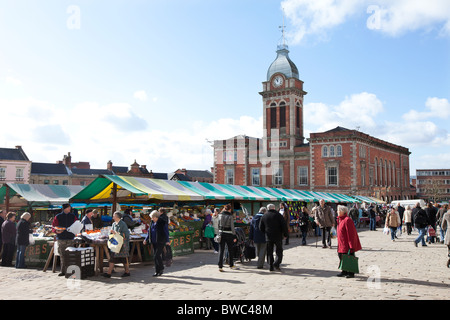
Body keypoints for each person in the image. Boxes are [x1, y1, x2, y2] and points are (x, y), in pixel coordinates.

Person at [259, 203, 288, 271]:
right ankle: (277, 263)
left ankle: (271, 265)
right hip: (278, 236)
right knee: (279, 250)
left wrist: (265, 232)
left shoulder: (264, 216)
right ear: (274, 208)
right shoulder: (278, 215)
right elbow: (284, 225)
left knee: (269, 251)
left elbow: (260, 227)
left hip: (268, 236)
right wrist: (285, 234)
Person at [51, 203, 78, 276]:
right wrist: (56, 231)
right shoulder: (58, 216)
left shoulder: (73, 216)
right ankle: (63, 271)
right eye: (69, 207)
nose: (70, 208)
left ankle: (70, 271)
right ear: (65, 208)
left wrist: (76, 231)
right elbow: (53, 226)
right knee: (62, 255)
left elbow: (77, 224)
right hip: (61, 238)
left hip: (70, 237)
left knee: (70, 255)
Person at [336, 205, 361, 278]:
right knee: (341, 255)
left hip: (347, 243)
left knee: (349, 256)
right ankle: (344, 271)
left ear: (342, 212)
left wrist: (351, 245)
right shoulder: (339, 219)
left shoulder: (347, 220)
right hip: (341, 242)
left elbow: (351, 233)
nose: (337, 212)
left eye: (338, 210)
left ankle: (351, 272)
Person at [103, 211, 131, 278]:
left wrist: (116, 233)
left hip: (122, 244)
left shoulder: (123, 224)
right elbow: (112, 233)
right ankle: (109, 273)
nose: (113, 217)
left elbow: (126, 234)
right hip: (116, 244)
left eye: (114, 216)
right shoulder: (113, 224)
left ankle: (127, 271)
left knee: (123, 258)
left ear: (117, 217)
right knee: (112, 257)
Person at [143, 210, 170, 277]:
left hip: (160, 241)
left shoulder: (162, 222)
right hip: (154, 241)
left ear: (157, 217)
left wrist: (167, 240)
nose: (152, 219)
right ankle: (157, 270)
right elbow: (149, 232)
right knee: (155, 257)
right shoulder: (152, 223)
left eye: (153, 217)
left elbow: (166, 232)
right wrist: (146, 239)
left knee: (157, 255)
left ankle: (161, 268)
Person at [217, 204, 237, 272]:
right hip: (229, 234)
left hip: (221, 234)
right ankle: (231, 264)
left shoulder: (220, 215)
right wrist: (234, 235)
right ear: (229, 209)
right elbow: (232, 226)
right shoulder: (230, 216)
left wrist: (218, 233)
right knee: (230, 250)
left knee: (221, 250)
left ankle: (220, 266)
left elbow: (218, 225)